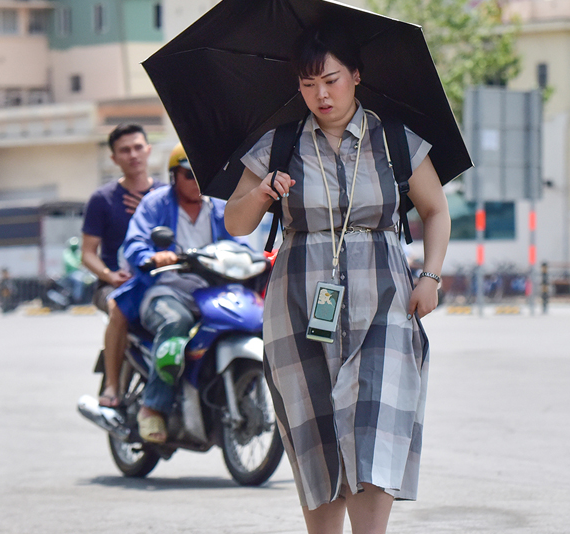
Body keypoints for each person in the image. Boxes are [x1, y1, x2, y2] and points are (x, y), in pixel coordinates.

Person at [224, 28, 451, 534]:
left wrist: (430, 276)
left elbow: (436, 210)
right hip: (298, 304)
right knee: (315, 431)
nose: (321, 95)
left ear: (356, 76)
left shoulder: (394, 140)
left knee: (374, 426)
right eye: (308, 85)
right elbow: (235, 222)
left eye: (331, 80)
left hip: (385, 302)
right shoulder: (279, 144)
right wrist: (261, 194)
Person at [113, 144, 240, 444]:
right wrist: (152, 256)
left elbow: (239, 243)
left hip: (211, 295)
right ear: (173, 176)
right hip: (163, 291)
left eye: (202, 174)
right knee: (175, 323)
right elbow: (135, 241)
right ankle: (152, 406)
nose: (197, 181)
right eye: (188, 174)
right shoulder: (155, 203)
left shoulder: (219, 207)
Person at [80, 123, 163, 407]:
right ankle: (112, 387)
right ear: (114, 158)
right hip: (114, 285)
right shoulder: (102, 200)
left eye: (138, 147)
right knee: (119, 308)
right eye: (125, 150)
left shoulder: (166, 195)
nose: (133, 154)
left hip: (160, 280)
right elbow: (87, 253)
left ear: (148, 150)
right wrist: (110, 276)